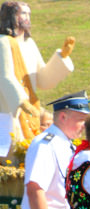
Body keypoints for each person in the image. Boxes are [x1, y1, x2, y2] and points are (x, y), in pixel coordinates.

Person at [0, 1, 75, 140]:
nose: (27, 17)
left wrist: (62, 57)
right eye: (23, 13)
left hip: (31, 108)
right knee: (11, 150)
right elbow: (4, 77)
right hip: (9, 109)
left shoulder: (30, 43)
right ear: (10, 16)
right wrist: (22, 102)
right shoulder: (3, 42)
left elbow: (42, 79)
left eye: (29, 14)